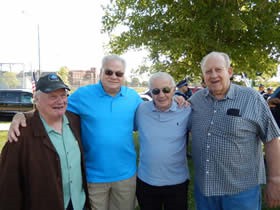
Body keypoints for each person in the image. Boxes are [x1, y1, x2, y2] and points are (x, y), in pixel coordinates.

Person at [8, 55, 143, 210]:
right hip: (93, 177)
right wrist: (23, 115)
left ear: (124, 76)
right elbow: (51, 106)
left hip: (126, 175)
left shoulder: (133, 97)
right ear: (101, 72)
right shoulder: (83, 95)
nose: (113, 76)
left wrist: (177, 99)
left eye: (118, 73)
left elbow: (152, 113)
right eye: (109, 72)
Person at [189, 51, 280, 210]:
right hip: (205, 191)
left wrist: (275, 179)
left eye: (218, 69)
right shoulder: (195, 101)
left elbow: (272, 138)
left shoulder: (252, 98)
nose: (213, 75)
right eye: (208, 71)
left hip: (241, 193)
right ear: (203, 76)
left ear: (229, 72)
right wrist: (176, 99)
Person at [0, 73, 91, 210]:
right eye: (52, 96)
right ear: (36, 100)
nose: (60, 101)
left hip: (79, 203)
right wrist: (21, 115)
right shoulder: (20, 133)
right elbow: (8, 184)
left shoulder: (75, 121)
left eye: (63, 95)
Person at [135, 72, 191, 210]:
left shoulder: (186, 109)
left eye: (166, 90)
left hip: (177, 182)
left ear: (173, 90)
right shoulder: (141, 110)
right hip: (146, 181)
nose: (161, 95)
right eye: (156, 91)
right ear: (151, 92)